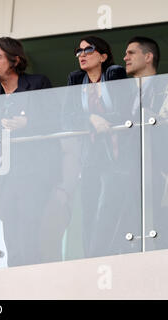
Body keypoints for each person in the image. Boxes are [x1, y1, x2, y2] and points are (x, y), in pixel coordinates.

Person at [0, 37, 66, 267]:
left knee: (28, 222)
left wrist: (28, 123)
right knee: (7, 218)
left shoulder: (37, 83)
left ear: (15, 60)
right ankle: (17, 274)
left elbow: (56, 120)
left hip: (35, 169)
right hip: (6, 171)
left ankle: (31, 275)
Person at [64, 36, 133, 258]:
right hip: (90, 157)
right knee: (89, 208)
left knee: (109, 207)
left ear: (103, 56)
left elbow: (125, 111)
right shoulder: (75, 80)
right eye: (79, 51)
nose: (81, 55)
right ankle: (90, 259)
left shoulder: (114, 74)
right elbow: (67, 116)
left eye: (88, 49)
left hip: (117, 156)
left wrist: (98, 119)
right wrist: (90, 119)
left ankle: (107, 255)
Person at [124, 37, 168, 249]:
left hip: (159, 170)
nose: (125, 57)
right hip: (130, 170)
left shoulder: (165, 85)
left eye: (131, 53)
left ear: (148, 57)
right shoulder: (126, 93)